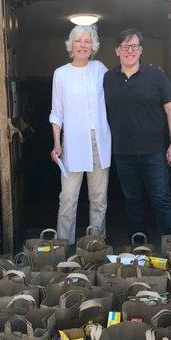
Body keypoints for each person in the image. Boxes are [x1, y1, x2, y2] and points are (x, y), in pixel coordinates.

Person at [103, 28, 171, 239]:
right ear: (117, 51)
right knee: (132, 201)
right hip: (123, 152)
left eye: (135, 46)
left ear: (141, 50)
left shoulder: (156, 75)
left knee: (161, 199)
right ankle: (139, 248)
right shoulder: (107, 79)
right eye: (125, 46)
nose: (130, 50)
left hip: (154, 151)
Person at [49, 25, 111, 246]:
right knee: (67, 200)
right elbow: (57, 113)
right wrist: (57, 143)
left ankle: (96, 247)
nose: (83, 45)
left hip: (99, 142)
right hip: (73, 144)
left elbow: (113, 101)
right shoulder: (61, 74)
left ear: (92, 46)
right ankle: (63, 248)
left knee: (98, 200)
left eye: (87, 41)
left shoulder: (100, 69)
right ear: (71, 45)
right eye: (79, 41)